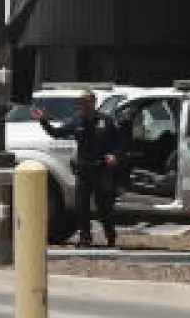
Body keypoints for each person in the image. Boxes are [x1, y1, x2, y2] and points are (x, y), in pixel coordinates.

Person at [31, 91, 125, 248]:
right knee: (81, 207)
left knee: (104, 207)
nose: (83, 105)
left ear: (93, 103)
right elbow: (56, 133)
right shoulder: (77, 121)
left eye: (86, 102)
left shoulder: (105, 121)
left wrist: (115, 155)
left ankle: (110, 236)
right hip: (84, 170)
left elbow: (121, 142)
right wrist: (42, 120)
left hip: (101, 169)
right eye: (81, 103)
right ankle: (85, 238)